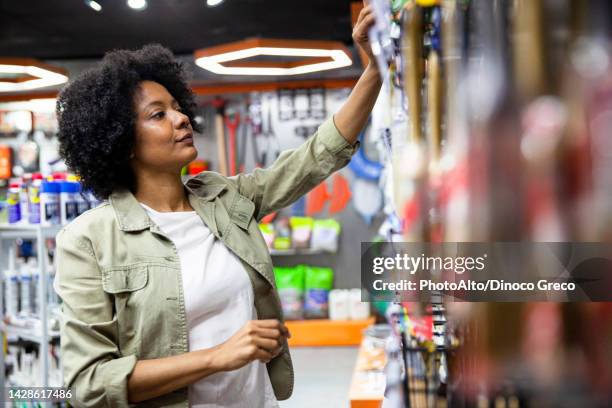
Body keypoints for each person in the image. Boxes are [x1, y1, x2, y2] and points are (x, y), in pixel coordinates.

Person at [54, 5, 380, 408]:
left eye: (177, 107)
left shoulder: (222, 197)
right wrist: (217, 357)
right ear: (122, 141)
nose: (181, 119)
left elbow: (315, 156)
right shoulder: (88, 240)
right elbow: (87, 383)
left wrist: (374, 70)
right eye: (159, 114)